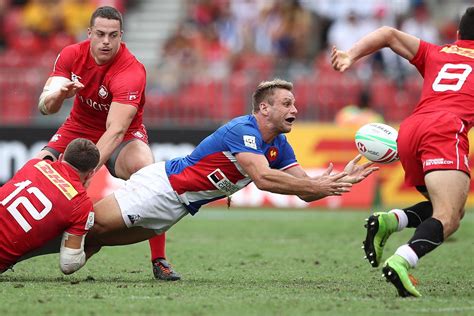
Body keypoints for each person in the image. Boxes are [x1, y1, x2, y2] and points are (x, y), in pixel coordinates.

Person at [80, 79, 378, 265]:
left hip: (179, 208)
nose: (295, 110)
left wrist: (339, 180)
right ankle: (37, 227)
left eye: (295, 104)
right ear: (264, 108)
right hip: (161, 188)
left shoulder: (280, 144)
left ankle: (42, 244)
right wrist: (321, 187)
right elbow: (263, 179)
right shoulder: (243, 130)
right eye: (287, 103)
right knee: (86, 226)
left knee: (91, 245)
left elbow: (304, 190)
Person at [331, 7, 474, 297]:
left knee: (447, 210)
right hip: (444, 131)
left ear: (458, 35)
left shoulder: (438, 52)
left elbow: (387, 34)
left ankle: (390, 221)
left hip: (409, 130)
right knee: (448, 217)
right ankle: (402, 260)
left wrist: (350, 55)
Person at [35, 6, 179, 281]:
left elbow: (116, 129)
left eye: (113, 36)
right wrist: (60, 95)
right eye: (100, 34)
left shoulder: (131, 70)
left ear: (121, 36)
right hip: (77, 127)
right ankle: (12, 245)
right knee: (37, 171)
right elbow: (46, 108)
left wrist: (88, 171)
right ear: (89, 33)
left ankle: (159, 259)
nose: (105, 41)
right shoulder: (70, 54)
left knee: (147, 173)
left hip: (124, 134)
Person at [0, 138, 99, 275]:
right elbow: (69, 264)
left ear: (61, 157)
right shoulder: (81, 204)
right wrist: (94, 247)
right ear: (91, 173)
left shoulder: (34, 164)